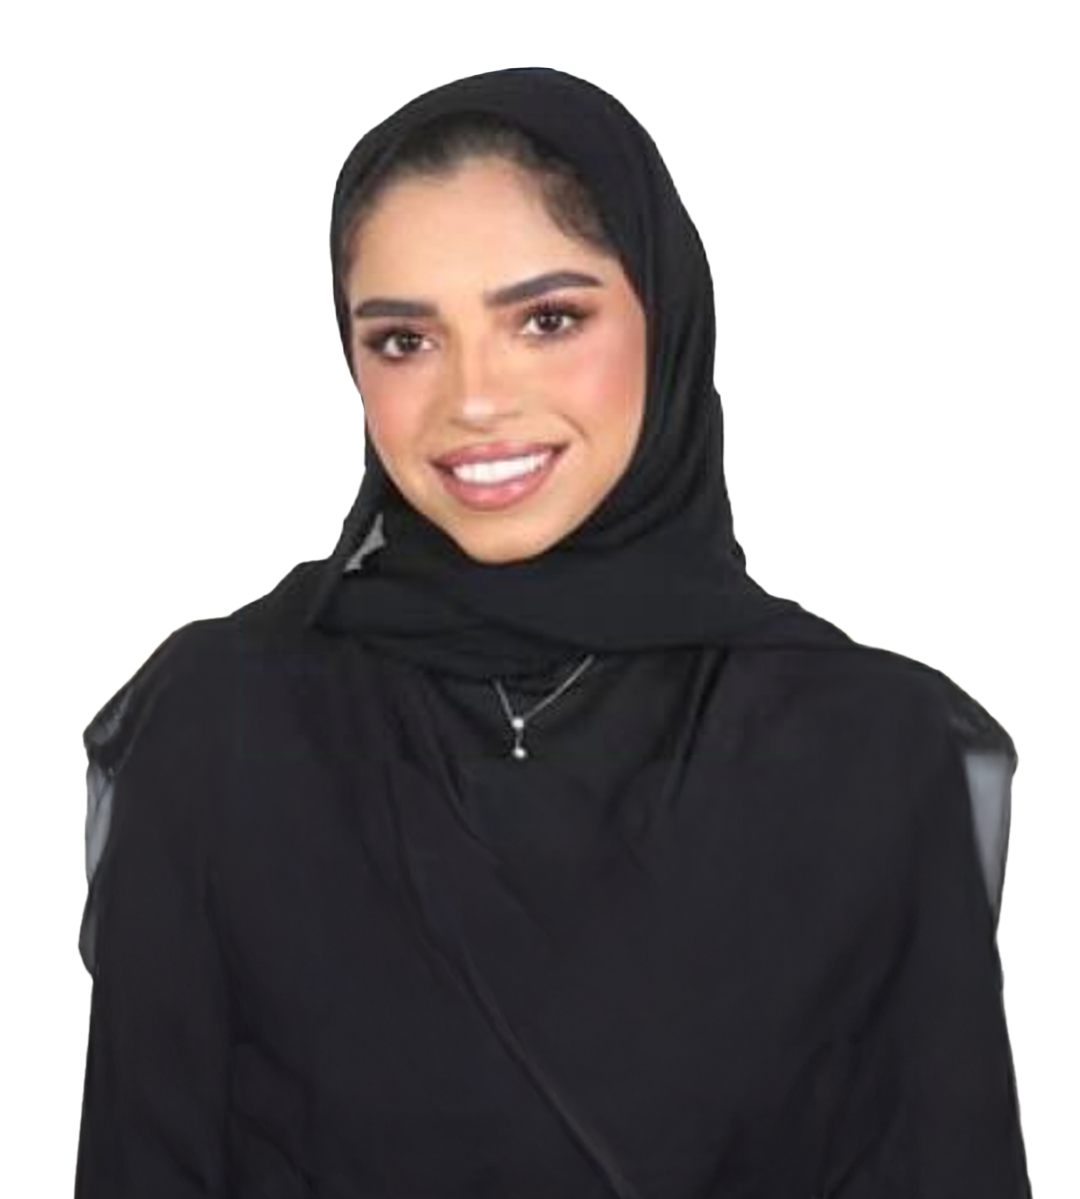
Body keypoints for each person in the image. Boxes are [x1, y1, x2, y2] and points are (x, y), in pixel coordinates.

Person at [72, 66, 1034, 1197]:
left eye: (547, 320)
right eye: (404, 340)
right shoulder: (224, 725)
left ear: (666, 320)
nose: (474, 400)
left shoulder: (867, 749)